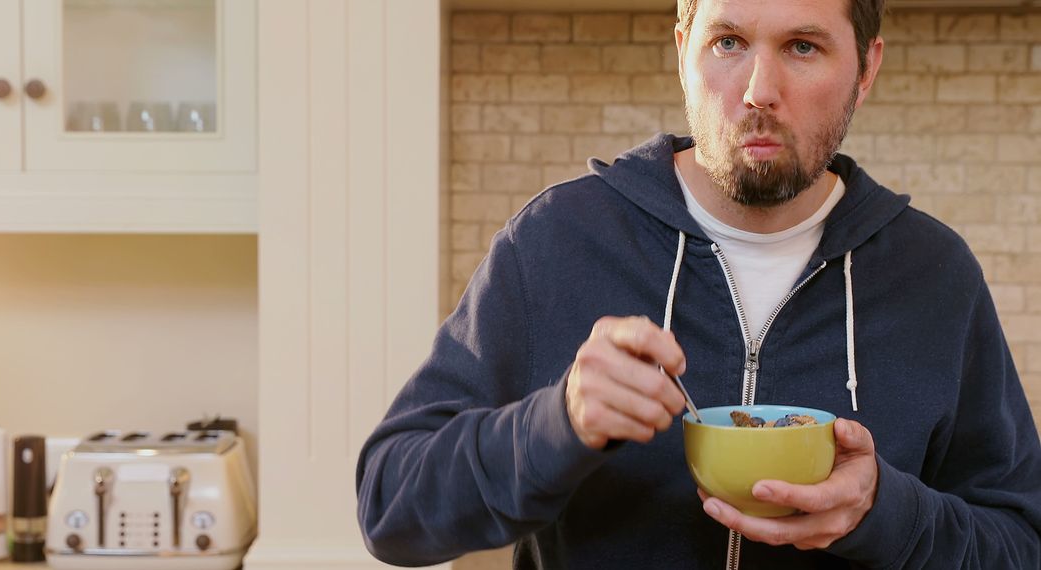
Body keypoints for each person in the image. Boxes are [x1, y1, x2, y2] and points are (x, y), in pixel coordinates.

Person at [356, 0, 1041, 567]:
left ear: (866, 69)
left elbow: (1020, 543)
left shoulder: (936, 277)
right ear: (683, 48)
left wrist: (884, 513)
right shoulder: (557, 240)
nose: (757, 91)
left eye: (803, 47)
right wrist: (555, 422)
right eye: (728, 42)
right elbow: (391, 508)